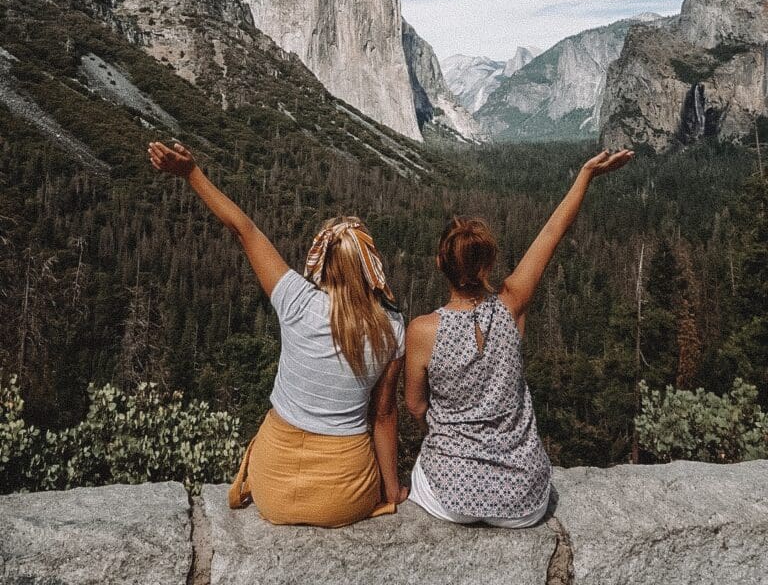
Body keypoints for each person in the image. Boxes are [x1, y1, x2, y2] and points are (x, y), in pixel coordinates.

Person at [147, 140, 407, 528]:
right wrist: (392, 492)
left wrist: (191, 174)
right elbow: (384, 418)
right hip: (343, 495)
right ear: (371, 267)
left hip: (273, 486)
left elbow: (244, 230)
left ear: (321, 261)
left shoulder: (296, 300)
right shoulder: (393, 328)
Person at [404, 148, 634, 527]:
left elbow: (415, 407)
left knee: (421, 475)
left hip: (450, 496)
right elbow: (552, 232)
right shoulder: (512, 305)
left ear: (439, 265)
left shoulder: (422, 331)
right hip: (522, 498)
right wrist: (586, 175)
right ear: (489, 264)